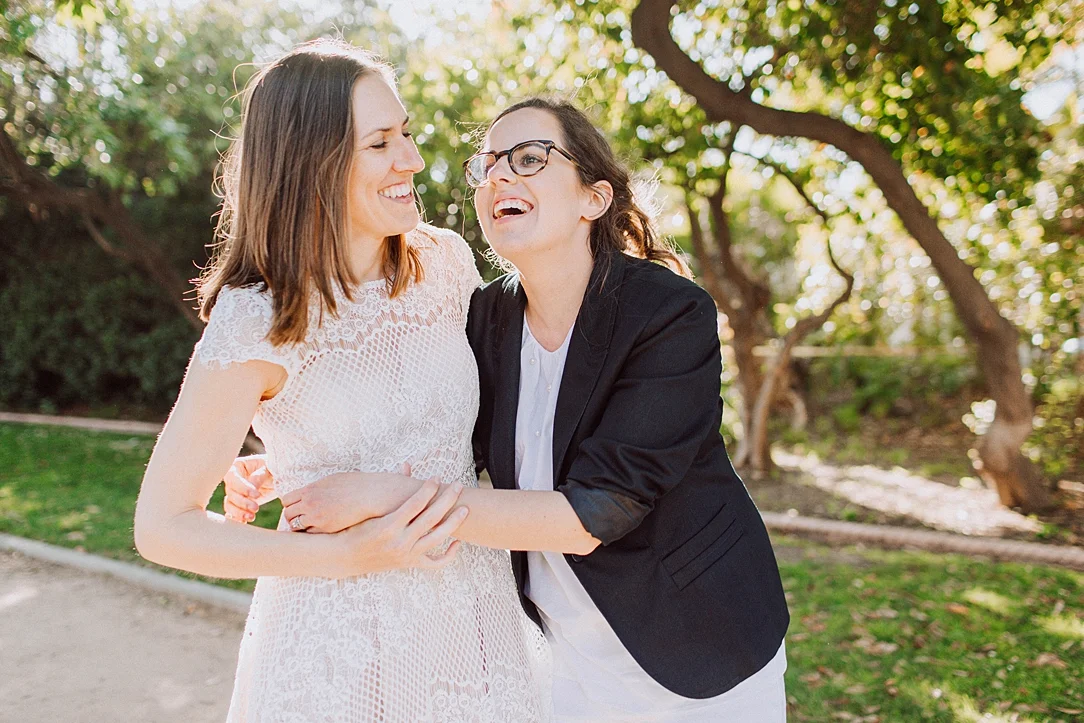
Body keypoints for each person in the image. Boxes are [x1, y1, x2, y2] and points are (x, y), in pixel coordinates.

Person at [228, 97, 791, 721]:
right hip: (557, 652)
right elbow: (441, 431)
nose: (499, 175)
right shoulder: (485, 317)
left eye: (528, 158)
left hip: (696, 641)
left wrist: (379, 495)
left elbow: (595, 513)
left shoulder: (668, 314)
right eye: (488, 162)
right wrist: (296, 467)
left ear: (593, 199)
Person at [133, 40, 550, 722]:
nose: (412, 160)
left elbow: (485, 423)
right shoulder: (256, 318)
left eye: (406, 134)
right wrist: (347, 555)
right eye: (382, 143)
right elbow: (162, 525)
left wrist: (295, 461)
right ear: (312, 164)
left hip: (474, 622)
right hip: (337, 652)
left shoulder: (445, 265)